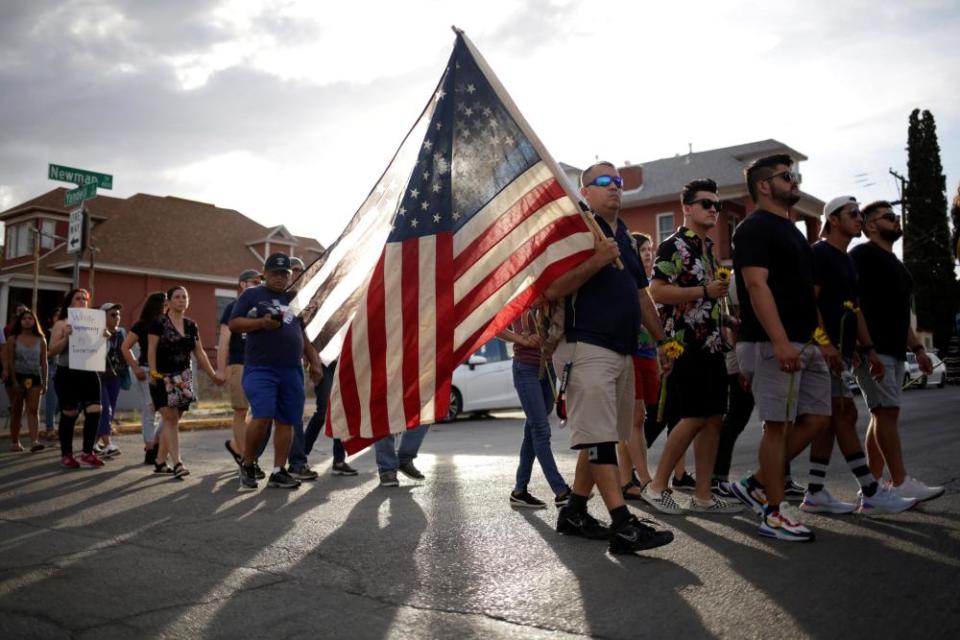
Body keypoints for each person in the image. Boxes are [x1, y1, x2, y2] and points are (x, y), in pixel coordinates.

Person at [542, 161, 674, 555]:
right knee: (599, 437)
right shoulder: (576, 230)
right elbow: (551, 288)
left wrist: (663, 339)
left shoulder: (625, 239)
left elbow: (640, 295)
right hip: (585, 344)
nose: (614, 186)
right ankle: (623, 525)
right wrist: (596, 260)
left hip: (622, 349)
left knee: (602, 435)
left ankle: (575, 511)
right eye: (603, 181)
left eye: (618, 181)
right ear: (585, 191)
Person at [729, 154, 835, 542]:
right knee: (777, 426)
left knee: (819, 418)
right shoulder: (754, 228)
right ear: (763, 185)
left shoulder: (792, 231)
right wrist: (778, 341)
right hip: (773, 342)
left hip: (805, 341)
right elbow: (757, 286)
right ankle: (773, 512)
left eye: (795, 175)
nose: (795, 181)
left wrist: (822, 342)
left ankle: (757, 482)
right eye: (787, 176)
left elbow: (807, 297)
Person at [800, 197, 916, 515]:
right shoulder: (819, 253)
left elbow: (856, 311)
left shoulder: (847, 261)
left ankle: (814, 491)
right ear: (833, 220)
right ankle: (870, 489)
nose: (858, 219)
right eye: (852, 214)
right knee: (843, 413)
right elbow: (810, 305)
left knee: (831, 421)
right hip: (820, 351)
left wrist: (869, 350)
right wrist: (825, 344)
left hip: (844, 353)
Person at [641, 178, 742, 515]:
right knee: (695, 416)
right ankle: (656, 487)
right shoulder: (674, 246)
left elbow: (710, 296)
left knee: (714, 417)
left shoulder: (708, 248)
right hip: (685, 345)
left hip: (713, 344)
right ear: (686, 207)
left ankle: (702, 495)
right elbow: (656, 292)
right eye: (706, 204)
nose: (714, 209)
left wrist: (726, 320)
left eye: (717, 205)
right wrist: (704, 293)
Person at [851, 201, 944, 502]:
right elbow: (851, 304)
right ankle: (899, 481)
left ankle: (874, 489)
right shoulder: (861, 255)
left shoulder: (900, 268)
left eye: (896, 216)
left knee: (883, 415)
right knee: (885, 412)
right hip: (873, 351)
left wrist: (918, 349)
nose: (896, 220)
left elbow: (902, 316)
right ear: (871, 225)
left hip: (895, 351)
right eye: (889, 217)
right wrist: (862, 347)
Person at [229, 253, 323, 491]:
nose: (280, 278)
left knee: (288, 420)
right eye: (275, 273)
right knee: (262, 415)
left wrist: (314, 362)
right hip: (261, 368)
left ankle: (278, 471)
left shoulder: (293, 299)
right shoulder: (253, 295)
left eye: (284, 274)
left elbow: (301, 333)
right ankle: (248, 463)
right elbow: (235, 323)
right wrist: (262, 323)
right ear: (265, 273)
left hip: (292, 370)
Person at [498, 304, 572, 508]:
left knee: (533, 428)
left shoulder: (552, 296)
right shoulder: (518, 297)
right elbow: (495, 327)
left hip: (547, 367)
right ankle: (561, 491)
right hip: (525, 369)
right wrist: (521, 339)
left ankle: (519, 491)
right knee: (540, 429)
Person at [148, 286, 222, 477]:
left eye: (184, 297)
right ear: (169, 301)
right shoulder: (159, 322)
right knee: (170, 419)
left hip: (183, 379)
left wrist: (213, 374)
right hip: (162, 377)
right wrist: (153, 373)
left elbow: (200, 352)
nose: (181, 300)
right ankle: (178, 463)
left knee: (172, 421)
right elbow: (151, 349)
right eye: (177, 297)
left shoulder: (191, 325)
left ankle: (160, 461)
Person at [617, 232, 658, 500]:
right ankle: (644, 480)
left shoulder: (653, 282)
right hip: (629, 352)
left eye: (649, 249)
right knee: (633, 417)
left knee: (638, 419)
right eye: (642, 249)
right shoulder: (625, 277)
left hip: (649, 352)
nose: (647, 253)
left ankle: (626, 479)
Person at [48, 288, 105, 469]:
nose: (82, 301)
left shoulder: (93, 323)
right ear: (70, 302)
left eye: (85, 299)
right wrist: (66, 337)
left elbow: (95, 351)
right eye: (78, 298)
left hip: (89, 371)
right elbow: (52, 351)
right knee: (70, 413)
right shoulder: (62, 323)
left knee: (95, 409)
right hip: (67, 373)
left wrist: (104, 338)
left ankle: (88, 452)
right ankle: (67, 454)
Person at [217, 269, 263, 477]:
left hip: (259, 365)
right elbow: (224, 341)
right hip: (239, 364)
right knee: (241, 411)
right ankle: (246, 458)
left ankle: (239, 448)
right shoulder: (232, 308)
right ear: (243, 284)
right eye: (255, 281)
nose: (258, 283)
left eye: (260, 281)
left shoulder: (262, 308)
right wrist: (220, 368)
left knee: (256, 414)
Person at [121, 292, 166, 464]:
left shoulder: (170, 324)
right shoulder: (142, 325)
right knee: (150, 410)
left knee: (170, 412)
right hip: (146, 371)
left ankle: (154, 442)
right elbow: (125, 347)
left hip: (167, 372)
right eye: (165, 303)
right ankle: (150, 449)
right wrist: (135, 367)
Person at [3, 308, 48, 453]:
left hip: (34, 377)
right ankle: (15, 442)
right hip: (16, 377)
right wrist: (14, 381)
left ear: (35, 322)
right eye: (24, 318)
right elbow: (10, 361)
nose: (27, 320)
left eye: (30, 318)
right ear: (20, 322)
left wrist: (45, 382)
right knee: (17, 411)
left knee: (33, 410)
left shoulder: (41, 340)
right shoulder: (13, 339)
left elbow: (44, 362)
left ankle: (35, 441)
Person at [302, 360, 357, 476]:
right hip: (323, 362)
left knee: (340, 410)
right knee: (323, 411)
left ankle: (339, 461)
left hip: (342, 360)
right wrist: (310, 359)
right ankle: (300, 458)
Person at [94, 303, 127, 458]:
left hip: (115, 375)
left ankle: (93, 443)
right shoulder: (97, 332)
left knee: (111, 409)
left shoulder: (121, 333)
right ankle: (108, 444)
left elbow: (123, 353)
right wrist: (102, 338)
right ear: (103, 317)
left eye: (118, 314)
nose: (117, 317)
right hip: (99, 375)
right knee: (104, 409)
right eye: (113, 315)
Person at [42, 307, 60, 443]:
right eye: (57, 315)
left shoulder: (69, 332)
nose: (59, 318)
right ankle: (50, 428)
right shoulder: (46, 334)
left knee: (63, 401)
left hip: (66, 368)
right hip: (52, 367)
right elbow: (44, 353)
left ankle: (53, 421)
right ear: (52, 318)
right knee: (51, 400)